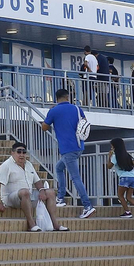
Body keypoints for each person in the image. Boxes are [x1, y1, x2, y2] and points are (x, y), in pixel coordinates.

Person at [40, 88, 97, 219]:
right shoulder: (77, 108)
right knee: (59, 167)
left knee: (76, 178)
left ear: (56, 98)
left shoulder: (54, 111)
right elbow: (84, 122)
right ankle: (61, 197)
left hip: (67, 148)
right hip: (79, 146)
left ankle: (87, 206)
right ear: (67, 97)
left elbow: (44, 127)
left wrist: (50, 113)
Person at [0, 141, 65, 232]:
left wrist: (42, 191)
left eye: (24, 152)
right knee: (25, 191)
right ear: (12, 153)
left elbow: (37, 181)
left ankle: (55, 224)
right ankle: (31, 224)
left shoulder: (28, 164)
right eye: (19, 152)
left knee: (50, 192)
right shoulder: (6, 165)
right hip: (11, 198)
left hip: (27, 196)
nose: (21, 154)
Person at [110, 139, 134, 219]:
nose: (111, 147)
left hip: (124, 178)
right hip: (132, 177)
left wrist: (109, 156)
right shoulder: (128, 155)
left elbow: (109, 166)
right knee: (129, 197)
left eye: (112, 145)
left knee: (120, 196)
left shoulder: (115, 156)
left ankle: (127, 212)